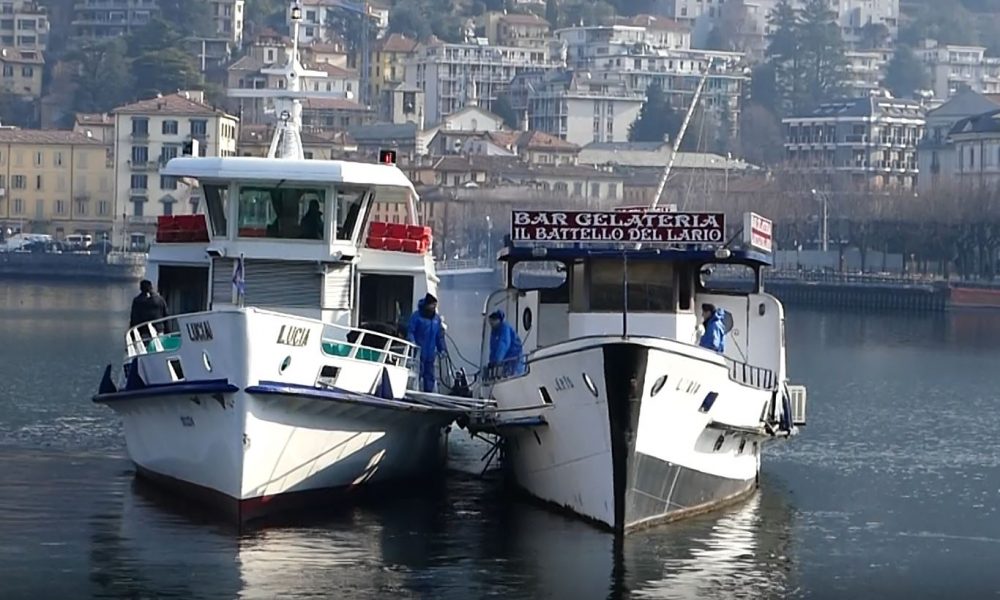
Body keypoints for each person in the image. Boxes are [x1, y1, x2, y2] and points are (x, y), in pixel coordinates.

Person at [407, 293, 447, 392]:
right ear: (427, 304)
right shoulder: (416, 316)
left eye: (435, 305)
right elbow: (411, 331)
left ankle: (428, 393)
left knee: (430, 375)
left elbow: (439, 337)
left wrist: (442, 349)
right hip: (419, 351)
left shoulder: (436, 319)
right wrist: (413, 343)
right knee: (417, 372)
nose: (434, 307)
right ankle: (414, 390)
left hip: (431, 353)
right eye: (432, 305)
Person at [487, 309, 525, 379]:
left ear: (497, 320)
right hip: (505, 361)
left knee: (514, 376)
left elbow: (504, 344)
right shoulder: (494, 331)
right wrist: (492, 362)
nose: (490, 324)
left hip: (514, 359)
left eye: (492, 322)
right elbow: (493, 348)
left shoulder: (505, 328)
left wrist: (497, 360)